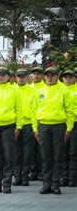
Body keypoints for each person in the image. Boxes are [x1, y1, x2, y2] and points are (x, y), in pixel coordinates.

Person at [33, 67, 74, 195]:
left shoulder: (63, 91)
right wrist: (35, 129)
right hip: (43, 126)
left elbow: (70, 111)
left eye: (52, 75)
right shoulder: (39, 92)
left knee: (58, 156)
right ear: (44, 77)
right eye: (47, 75)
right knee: (45, 157)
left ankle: (56, 184)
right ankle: (46, 184)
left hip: (59, 126)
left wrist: (69, 128)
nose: (49, 77)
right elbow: (34, 111)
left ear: (57, 76)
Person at [14, 69, 35, 186]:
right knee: (16, 152)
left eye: (23, 76)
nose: (21, 78)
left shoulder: (33, 91)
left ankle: (25, 176)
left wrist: (34, 126)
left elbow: (35, 109)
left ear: (27, 77)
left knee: (27, 152)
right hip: (15, 124)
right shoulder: (12, 90)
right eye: (19, 76)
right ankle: (17, 177)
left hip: (28, 124)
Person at [61, 70, 76, 187]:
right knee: (63, 152)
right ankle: (64, 177)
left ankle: (72, 178)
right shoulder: (59, 90)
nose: (68, 79)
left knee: (73, 152)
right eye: (65, 77)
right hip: (62, 124)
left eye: (70, 77)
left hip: (75, 124)